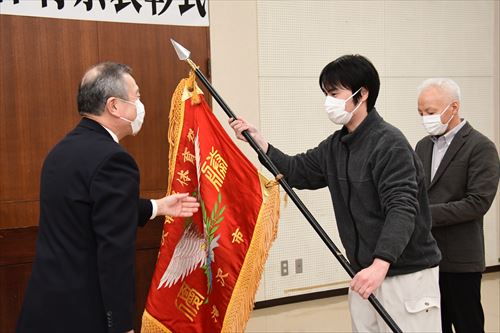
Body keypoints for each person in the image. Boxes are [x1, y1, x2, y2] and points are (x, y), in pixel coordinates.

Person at [229, 55, 442, 332]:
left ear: (362, 94)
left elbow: (402, 208)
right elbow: (297, 170)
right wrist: (261, 145)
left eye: (334, 93)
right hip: (362, 273)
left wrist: (381, 264)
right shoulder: (336, 146)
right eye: (326, 94)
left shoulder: (390, 144)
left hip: (403, 274)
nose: (328, 101)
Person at [16, 62, 200, 333]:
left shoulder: (61, 151)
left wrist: (156, 207)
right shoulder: (114, 159)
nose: (140, 105)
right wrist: (121, 324)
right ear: (114, 106)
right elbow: (115, 253)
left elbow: (88, 212)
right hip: (85, 314)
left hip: (45, 306)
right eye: (136, 96)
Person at [415, 78, 500, 333]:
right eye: (420, 113)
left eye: (430, 112)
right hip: (427, 258)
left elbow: (477, 203)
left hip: (461, 260)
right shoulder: (422, 146)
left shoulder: (481, 147)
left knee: (468, 325)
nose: (425, 118)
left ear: (453, 107)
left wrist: (424, 214)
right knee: (433, 326)